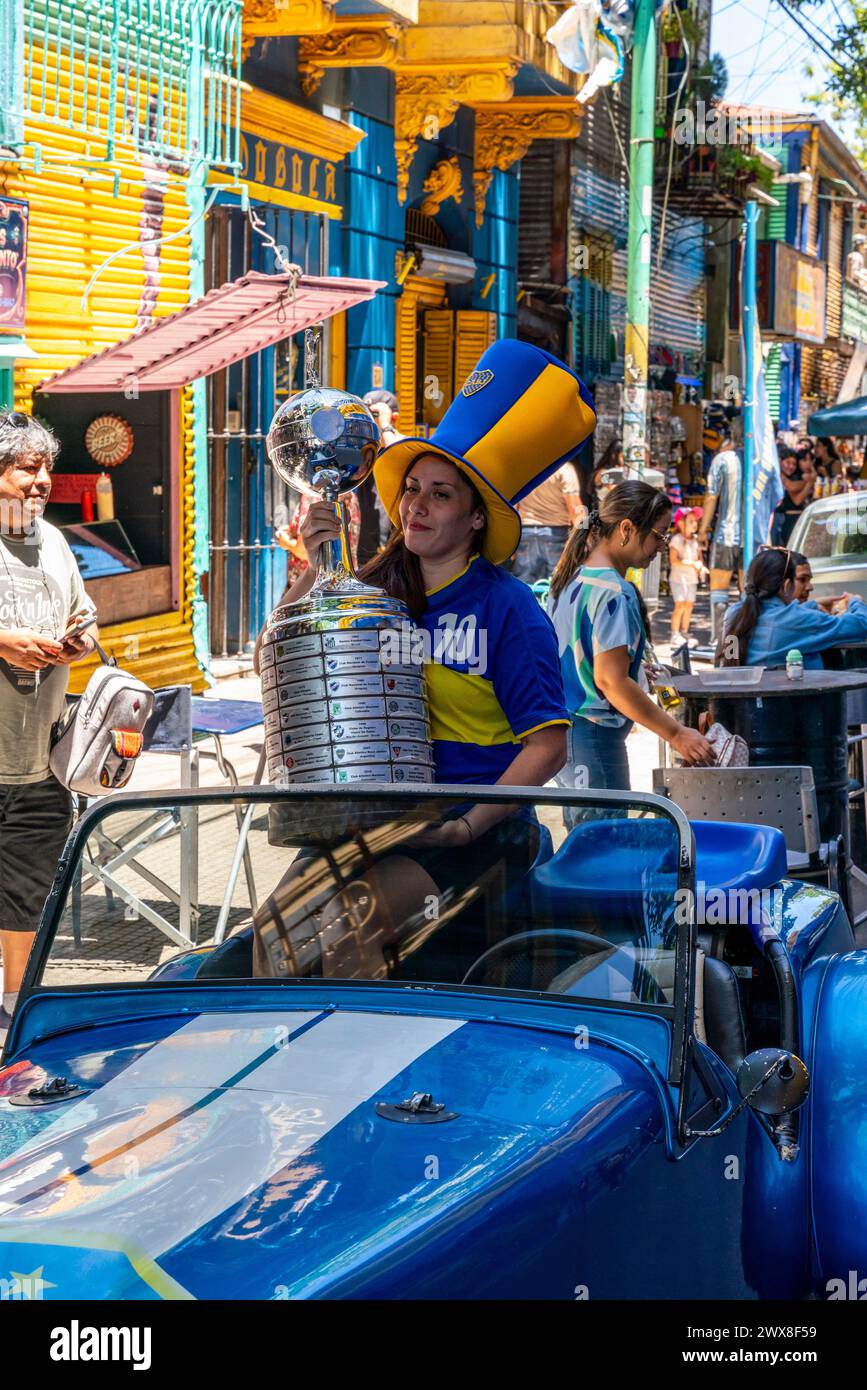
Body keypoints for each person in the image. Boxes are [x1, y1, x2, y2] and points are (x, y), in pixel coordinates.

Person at [252, 341, 598, 975]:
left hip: (477, 833)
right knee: (268, 941)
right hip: (372, 821)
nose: (416, 504)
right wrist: (312, 566)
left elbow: (549, 746)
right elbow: (271, 665)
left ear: (474, 518)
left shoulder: (509, 609)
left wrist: (469, 824)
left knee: (344, 936)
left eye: (440, 494)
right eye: (412, 489)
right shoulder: (375, 588)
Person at [0, 412, 99, 1041]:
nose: (41, 482)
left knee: (27, 897)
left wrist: (80, 639)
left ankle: (14, 1011)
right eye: (26, 469)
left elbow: (85, 615)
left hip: (39, 762)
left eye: (45, 469)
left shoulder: (55, 542)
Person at [548, 480, 713, 805]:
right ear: (626, 529)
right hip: (595, 739)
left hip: (565, 737)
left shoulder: (569, 581)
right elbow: (610, 682)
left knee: (586, 843)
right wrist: (677, 734)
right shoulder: (614, 592)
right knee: (605, 845)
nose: (663, 546)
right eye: (658, 535)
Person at [718, 547, 867, 669]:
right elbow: (861, 624)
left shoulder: (734, 613)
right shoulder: (798, 618)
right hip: (796, 703)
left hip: (745, 702)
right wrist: (855, 602)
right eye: (801, 580)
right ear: (786, 585)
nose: (810, 587)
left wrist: (812, 605)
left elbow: (776, 622)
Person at [698, 428, 743, 643]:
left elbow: (711, 497)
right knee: (750, 592)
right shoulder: (762, 461)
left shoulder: (722, 460)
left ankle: (719, 639)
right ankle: (744, 637)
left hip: (726, 532)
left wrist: (702, 530)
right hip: (754, 538)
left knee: (719, 589)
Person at [510, 459, 585, 584]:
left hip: (525, 532)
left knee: (524, 583)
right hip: (556, 533)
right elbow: (575, 509)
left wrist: (511, 542)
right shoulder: (565, 469)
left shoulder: (524, 469)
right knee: (557, 583)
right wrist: (583, 538)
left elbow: (514, 506)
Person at [362, 389, 405, 555]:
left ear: (394, 417)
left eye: (375, 415)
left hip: (393, 549)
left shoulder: (403, 443)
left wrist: (385, 426)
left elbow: (398, 456)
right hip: (363, 547)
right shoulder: (364, 449)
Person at [668, 506, 706, 648]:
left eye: (695, 521)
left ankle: (684, 631)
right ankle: (675, 634)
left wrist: (701, 567)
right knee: (680, 604)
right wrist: (693, 564)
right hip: (678, 578)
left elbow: (699, 559)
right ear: (680, 523)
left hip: (691, 579)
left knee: (689, 605)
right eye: (691, 521)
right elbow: (673, 560)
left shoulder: (695, 540)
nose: (695, 524)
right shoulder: (677, 539)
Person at [772, 447, 814, 546]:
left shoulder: (791, 476)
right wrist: (808, 482)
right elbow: (791, 486)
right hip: (780, 519)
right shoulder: (778, 473)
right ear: (780, 461)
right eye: (788, 462)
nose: (791, 466)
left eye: (794, 464)